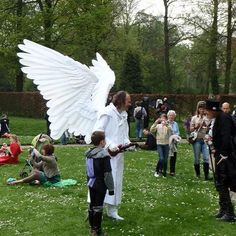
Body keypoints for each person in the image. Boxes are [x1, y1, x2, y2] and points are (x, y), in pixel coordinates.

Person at [92, 91, 131, 220]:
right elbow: (98, 131)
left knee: (116, 181)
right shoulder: (107, 112)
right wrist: (110, 146)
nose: (130, 103)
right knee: (103, 181)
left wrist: (128, 144)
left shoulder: (124, 115)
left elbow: (124, 134)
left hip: (118, 155)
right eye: (128, 101)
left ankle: (112, 209)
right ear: (120, 101)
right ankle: (97, 208)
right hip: (105, 155)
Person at [205, 99, 236, 222]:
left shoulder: (224, 118)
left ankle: (229, 212)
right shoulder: (218, 119)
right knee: (219, 182)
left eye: (208, 111)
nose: (207, 113)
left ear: (213, 110)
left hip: (226, 156)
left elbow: (226, 136)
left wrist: (223, 154)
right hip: (220, 154)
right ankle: (223, 209)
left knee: (223, 182)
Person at [86, 131, 114, 236]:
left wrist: (88, 182)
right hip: (100, 184)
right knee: (98, 207)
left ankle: (92, 229)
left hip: (91, 183)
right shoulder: (104, 155)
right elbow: (107, 174)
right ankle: (96, 231)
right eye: (105, 139)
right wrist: (111, 188)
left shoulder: (89, 154)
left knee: (92, 205)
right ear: (102, 142)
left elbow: (88, 171)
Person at [190, 101, 211, 180]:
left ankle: (206, 175)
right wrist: (196, 126)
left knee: (206, 157)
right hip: (197, 140)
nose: (202, 110)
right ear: (198, 109)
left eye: (203, 108)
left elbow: (210, 128)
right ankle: (198, 174)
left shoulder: (208, 118)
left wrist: (207, 126)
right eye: (200, 108)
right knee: (197, 158)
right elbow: (191, 129)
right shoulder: (194, 118)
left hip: (205, 140)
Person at [167, 110, 180, 176]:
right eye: (170, 115)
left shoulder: (176, 124)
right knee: (166, 156)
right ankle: (162, 169)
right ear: (168, 116)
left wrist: (176, 136)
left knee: (173, 156)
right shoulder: (166, 123)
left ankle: (172, 171)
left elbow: (178, 132)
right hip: (167, 142)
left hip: (174, 142)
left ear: (174, 116)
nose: (171, 117)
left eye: (172, 115)